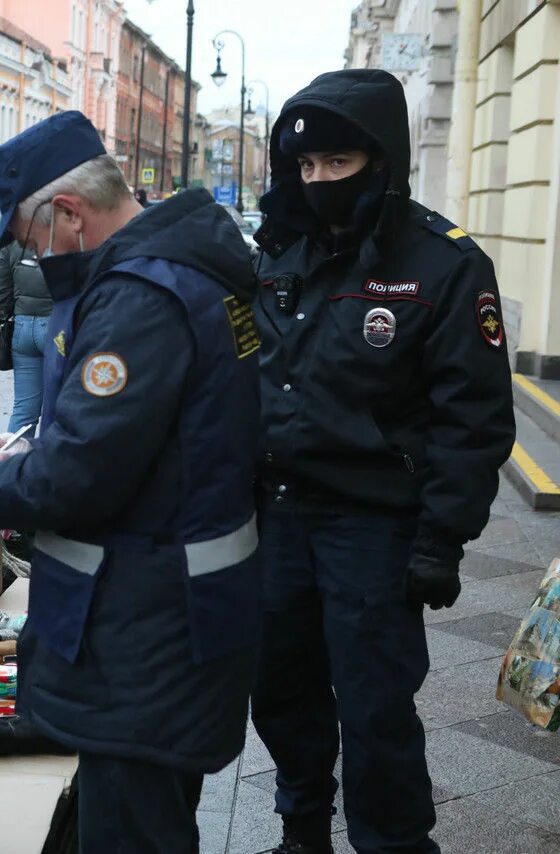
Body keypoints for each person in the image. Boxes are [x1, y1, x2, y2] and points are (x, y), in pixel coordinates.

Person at [0, 111, 262, 851]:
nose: (33, 254)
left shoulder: (138, 298)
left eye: (28, 238)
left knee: (135, 833)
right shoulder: (185, 268)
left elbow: (76, 480)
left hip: (144, 636)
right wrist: (29, 443)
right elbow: (154, 434)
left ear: (68, 213)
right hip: (178, 618)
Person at [249, 69, 515, 853]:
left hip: (373, 524)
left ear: (381, 159)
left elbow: (474, 417)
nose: (319, 181)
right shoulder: (278, 252)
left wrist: (443, 538)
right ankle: (303, 832)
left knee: (374, 707)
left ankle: (394, 842)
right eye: (305, 167)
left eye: (337, 164)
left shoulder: (444, 263)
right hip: (276, 516)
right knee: (280, 690)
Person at [0, 242, 52, 431]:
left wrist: (11, 309)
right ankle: (51, 458)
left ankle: (13, 458)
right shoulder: (62, 230)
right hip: (57, 325)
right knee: (58, 407)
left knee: (24, 410)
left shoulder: (13, 238)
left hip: (22, 326)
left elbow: (0, 280)